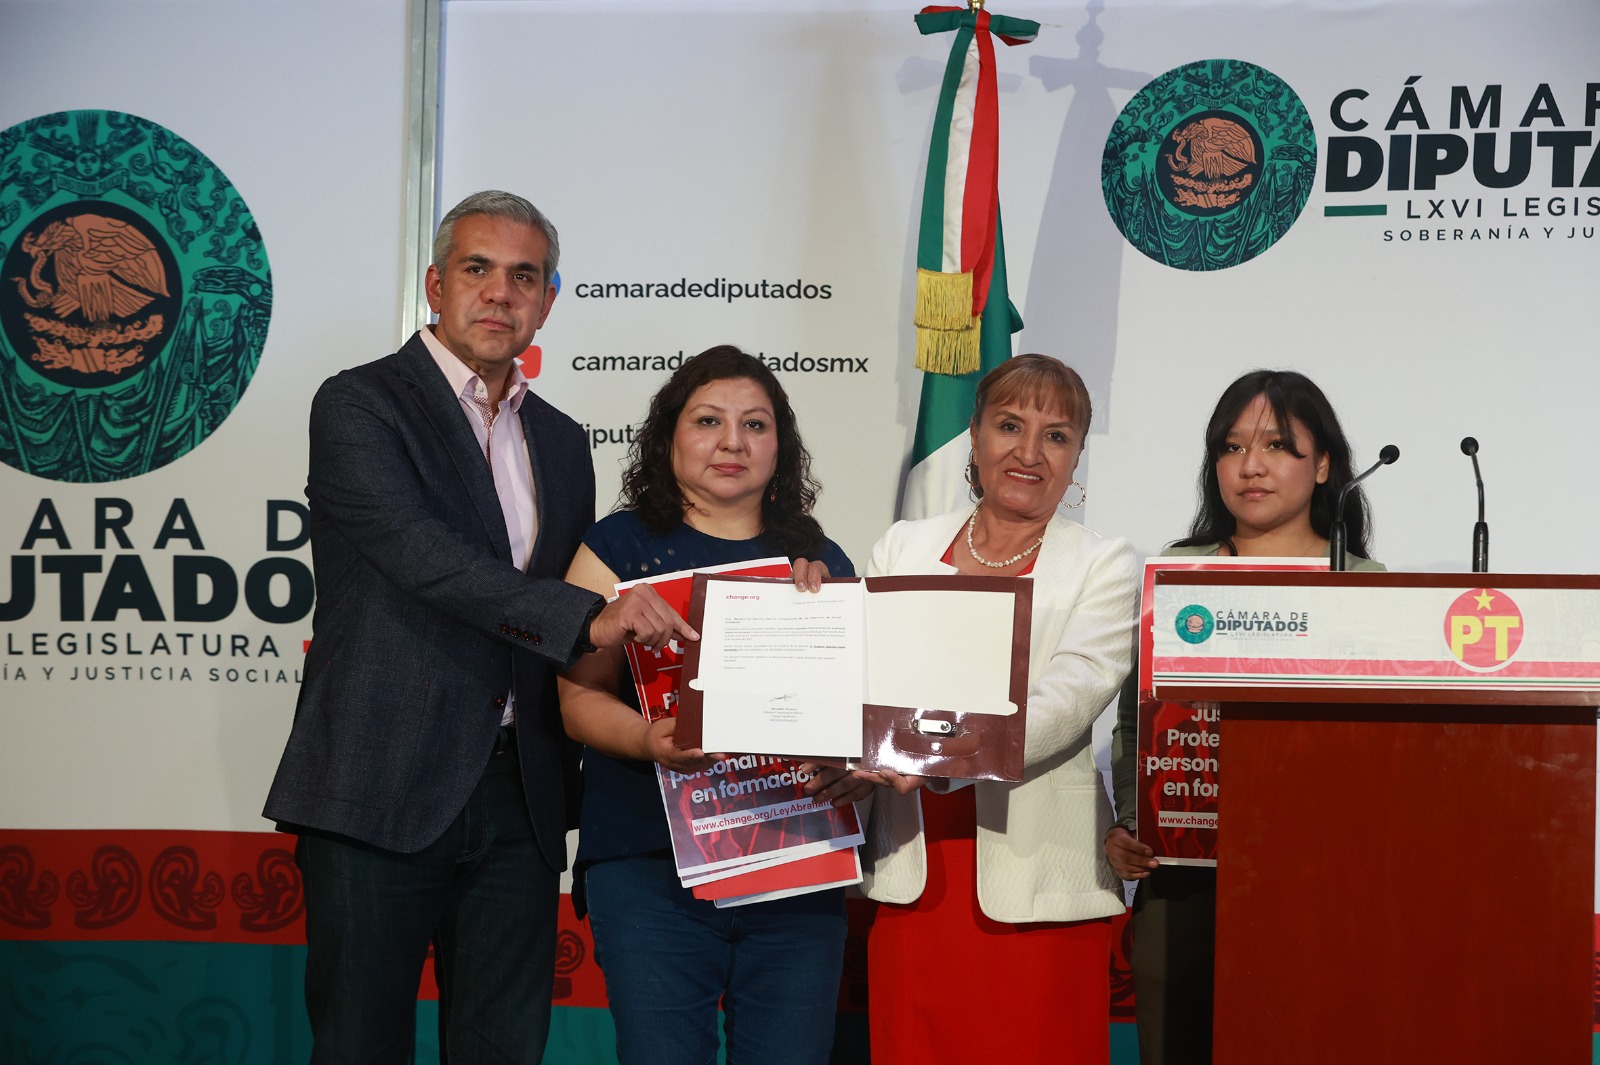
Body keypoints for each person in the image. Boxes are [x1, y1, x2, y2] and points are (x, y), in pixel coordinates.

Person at [263, 190, 693, 1065]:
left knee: (504, 1050)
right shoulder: (359, 405)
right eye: (477, 268)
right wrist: (590, 619)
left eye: (524, 276)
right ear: (435, 284)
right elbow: (425, 558)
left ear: (547, 301)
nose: (501, 292)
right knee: (358, 1048)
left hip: (519, 793)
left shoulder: (563, 440)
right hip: (378, 783)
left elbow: (587, 574)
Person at [556, 345, 870, 1065]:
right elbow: (575, 698)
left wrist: (855, 769)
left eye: (755, 424)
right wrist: (648, 741)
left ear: (780, 447)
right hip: (649, 868)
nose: (733, 442)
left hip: (796, 864)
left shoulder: (821, 560)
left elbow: (853, 716)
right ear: (668, 436)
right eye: (707, 421)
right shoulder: (616, 547)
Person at [860, 354, 1140, 1064]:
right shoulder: (903, 545)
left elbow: (1071, 696)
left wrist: (935, 759)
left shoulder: (1105, 563)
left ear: (1076, 456)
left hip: (1043, 879)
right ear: (976, 435)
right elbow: (863, 681)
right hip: (914, 867)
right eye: (1010, 426)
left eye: (1056, 435)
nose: (1029, 452)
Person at [1105, 368, 1385, 1065]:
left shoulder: (1368, 584)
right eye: (1232, 447)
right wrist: (1133, 823)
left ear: (1324, 464)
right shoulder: (1179, 573)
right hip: (1186, 881)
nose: (1250, 465)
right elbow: (1138, 723)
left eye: (1277, 445)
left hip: (1320, 883)